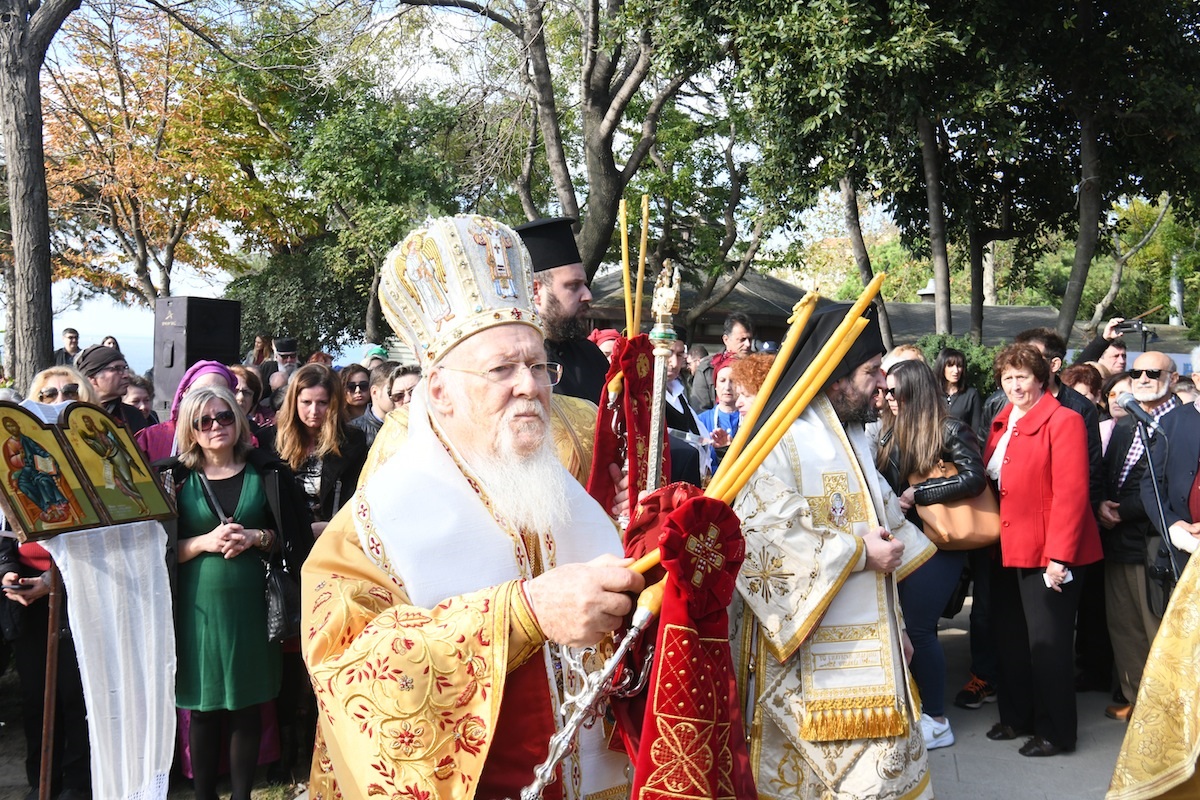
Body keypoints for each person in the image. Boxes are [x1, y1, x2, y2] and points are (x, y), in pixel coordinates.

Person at [302, 214, 642, 798]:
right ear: (438, 390)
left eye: (537, 366)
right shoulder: (374, 524)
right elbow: (349, 673)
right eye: (501, 370)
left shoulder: (562, 490)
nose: (530, 386)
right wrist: (522, 615)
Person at [729, 304, 936, 798]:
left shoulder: (853, 435)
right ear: (835, 376)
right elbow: (762, 538)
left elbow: (886, 533)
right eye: (870, 372)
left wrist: (898, 627)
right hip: (804, 670)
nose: (881, 384)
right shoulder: (776, 438)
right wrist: (858, 554)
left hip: (873, 657)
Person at [165, 385, 313, 800]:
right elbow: (154, 554)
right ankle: (204, 795)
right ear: (191, 429)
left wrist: (255, 536)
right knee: (204, 707)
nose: (216, 426)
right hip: (197, 611)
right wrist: (202, 543)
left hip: (253, 605)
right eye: (204, 421)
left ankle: (243, 795)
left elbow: (291, 538)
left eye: (225, 416)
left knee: (248, 705)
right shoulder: (172, 477)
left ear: (239, 419)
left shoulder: (268, 471)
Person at [982, 343, 1103, 757]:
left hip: (1051, 550)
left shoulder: (1064, 421)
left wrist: (1059, 557)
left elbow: (1072, 495)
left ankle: (1055, 733)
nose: (1015, 386)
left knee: (1048, 647)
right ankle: (1018, 718)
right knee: (1012, 638)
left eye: (1023, 377)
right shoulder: (1002, 420)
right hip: (1008, 545)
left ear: (1042, 379)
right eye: (1008, 378)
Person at [877, 359, 988, 751]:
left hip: (940, 545)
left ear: (915, 391)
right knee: (904, 630)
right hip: (903, 544)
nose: (887, 397)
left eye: (894, 390)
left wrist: (919, 493)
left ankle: (938, 720)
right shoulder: (891, 430)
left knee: (921, 631)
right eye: (885, 390)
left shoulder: (951, 427)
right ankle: (919, 709)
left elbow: (975, 478)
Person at [1099, 352, 1179, 723]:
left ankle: (1165, 712)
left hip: (1154, 541)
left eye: (1153, 372)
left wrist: (1122, 511)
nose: (1143, 378)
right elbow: (1107, 471)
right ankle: (1137, 700)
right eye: (1136, 372)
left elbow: (1167, 486)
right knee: (1124, 625)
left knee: (1156, 628)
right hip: (1117, 540)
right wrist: (1101, 504)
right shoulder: (1127, 422)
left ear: (1174, 379)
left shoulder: (1181, 425)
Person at [515, 217, 610, 403]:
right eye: (574, 286)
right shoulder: (514, 362)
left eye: (585, 284)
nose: (587, 295)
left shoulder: (591, 355)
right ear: (535, 291)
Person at [134, 361, 238, 463]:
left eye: (220, 391)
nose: (210, 397)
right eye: (201, 392)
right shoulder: (150, 438)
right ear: (185, 393)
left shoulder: (246, 439)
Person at [74, 344, 148, 434]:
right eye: (117, 369)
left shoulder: (133, 416)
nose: (125, 375)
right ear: (92, 378)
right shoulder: (73, 413)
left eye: (125, 368)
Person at [689, 311, 754, 412]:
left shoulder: (757, 367)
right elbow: (699, 409)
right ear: (726, 340)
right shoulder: (708, 367)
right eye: (742, 340)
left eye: (750, 339)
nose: (748, 344)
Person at [348, 361, 413, 448]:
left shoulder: (419, 426)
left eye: (411, 392)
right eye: (396, 393)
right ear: (375, 392)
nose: (407, 400)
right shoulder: (352, 433)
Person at [697, 353, 738, 468]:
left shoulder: (750, 419)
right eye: (722, 380)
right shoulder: (701, 421)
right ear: (715, 385)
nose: (727, 387)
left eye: (733, 380)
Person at [935, 347, 982, 432]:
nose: (956, 371)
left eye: (959, 366)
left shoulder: (971, 395)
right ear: (942, 367)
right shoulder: (932, 394)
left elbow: (976, 430)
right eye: (950, 366)